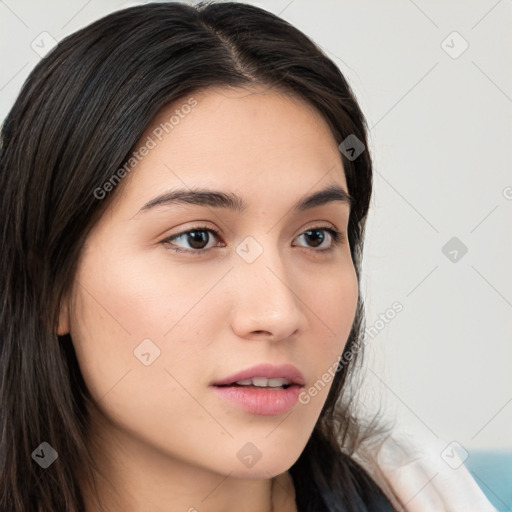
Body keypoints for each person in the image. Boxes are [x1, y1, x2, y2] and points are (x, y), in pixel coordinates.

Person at [0, 2, 497, 511]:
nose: (279, 314)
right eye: (196, 238)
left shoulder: (434, 495)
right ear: (50, 283)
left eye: (315, 237)